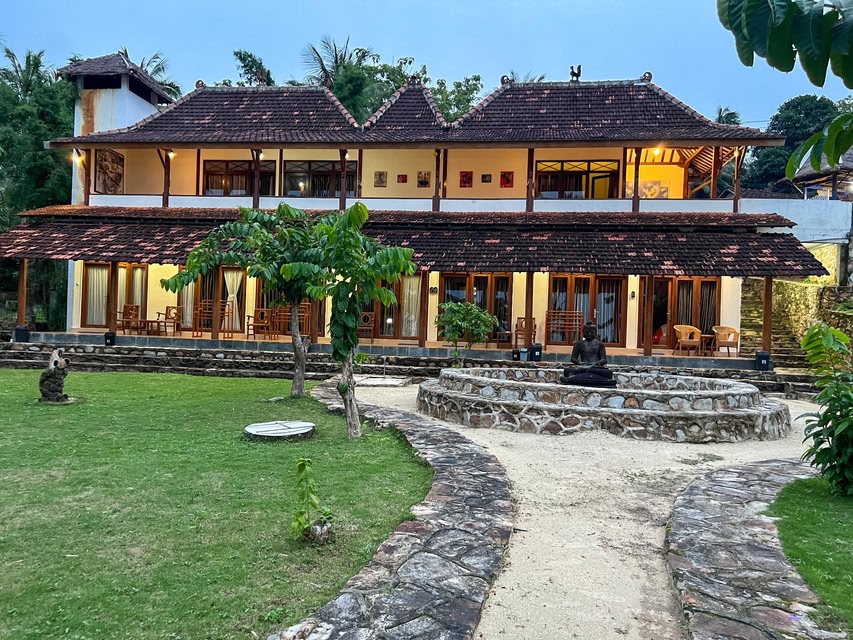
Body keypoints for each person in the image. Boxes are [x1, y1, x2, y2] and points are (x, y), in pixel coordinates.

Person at [561, 322, 616, 387]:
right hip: (582, 366)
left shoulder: (600, 344)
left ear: (595, 332)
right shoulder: (579, 344)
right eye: (587, 332)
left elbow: (604, 359)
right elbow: (573, 358)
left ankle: (581, 376)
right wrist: (579, 363)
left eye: (592, 332)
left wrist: (596, 363)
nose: (589, 334)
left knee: (608, 373)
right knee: (567, 371)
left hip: (595, 367)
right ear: (583, 332)